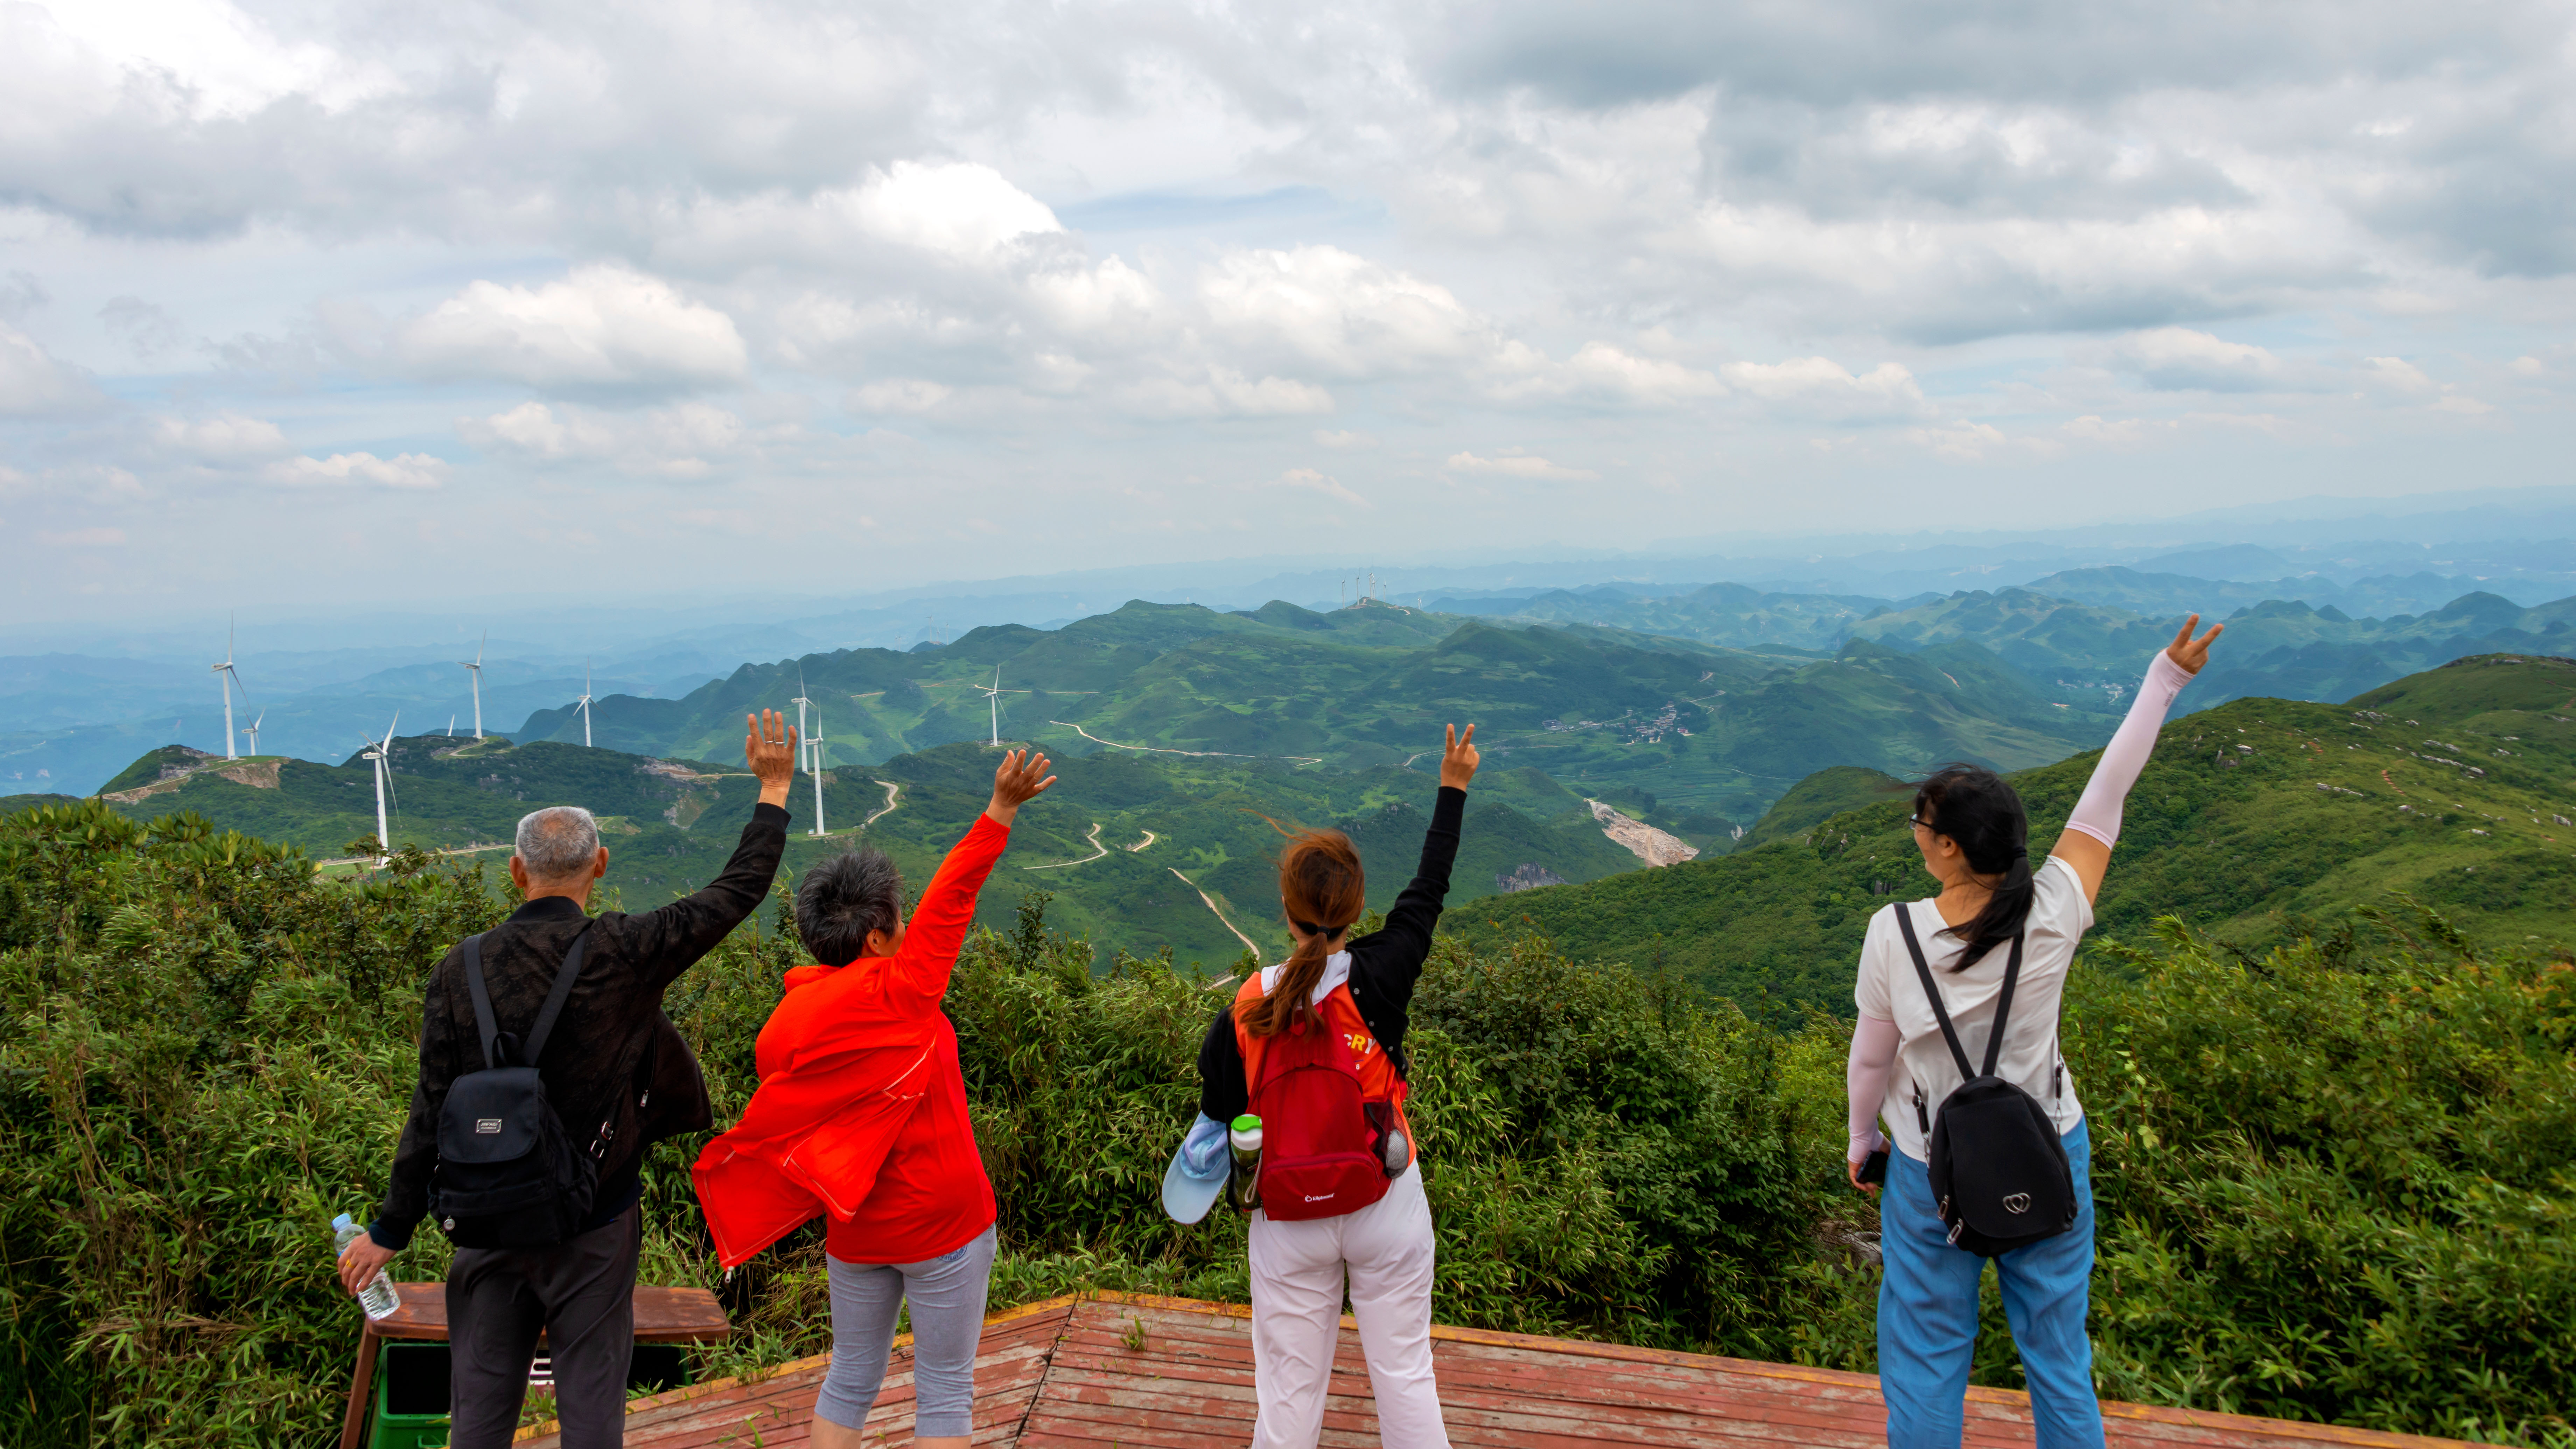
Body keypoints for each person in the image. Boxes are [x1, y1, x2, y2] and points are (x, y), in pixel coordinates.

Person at [337, 711, 802, 1449]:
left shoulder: (457, 971)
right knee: (591, 1410)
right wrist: (773, 789)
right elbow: (736, 891)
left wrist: (390, 1229)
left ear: (516, 872)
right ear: (602, 865)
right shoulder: (628, 951)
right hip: (595, 1223)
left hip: (485, 1224)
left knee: (481, 1413)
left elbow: (430, 1107)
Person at [1845, 616, 2224, 1448]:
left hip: (1923, 1165)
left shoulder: (1894, 933)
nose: (1913, 831)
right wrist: (2164, 679)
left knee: (1924, 1357)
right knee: (2056, 1355)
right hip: (2048, 1147)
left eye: (1919, 822)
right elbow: (2106, 793)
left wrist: (1857, 1137)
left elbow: (1870, 1058)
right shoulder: (2054, 909)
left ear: (1945, 848)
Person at [691, 748, 1056, 1449]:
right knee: (945, 1389)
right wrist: (1001, 809)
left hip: (855, 1228)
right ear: (878, 933)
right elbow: (954, 895)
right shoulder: (904, 991)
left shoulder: (783, 1028)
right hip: (944, 1222)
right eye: (897, 917)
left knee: (850, 1376)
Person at [1175, 723, 1478, 1449]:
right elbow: (1428, 889)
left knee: (1287, 1396)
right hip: (1384, 1198)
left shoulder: (1244, 1010)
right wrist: (1453, 786)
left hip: (1285, 1218)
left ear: (1285, 910)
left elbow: (1214, 1128)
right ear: (1354, 910)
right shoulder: (1385, 972)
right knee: (1404, 1374)